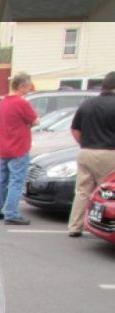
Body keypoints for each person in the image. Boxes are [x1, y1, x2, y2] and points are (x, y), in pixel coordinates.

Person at [67, 71, 115, 237]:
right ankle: (103, 227)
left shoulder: (87, 104)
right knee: (107, 195)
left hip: (86, 152)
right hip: (109, 153)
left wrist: (84, 144)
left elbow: (74, 129)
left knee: (82, 191)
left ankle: (75, 226)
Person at [0, 73, 40, 225]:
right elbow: (36, 121)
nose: (29, 89)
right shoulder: (21, 103)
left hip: (4, 146)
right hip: (18, 147)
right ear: (22, 86)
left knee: (1, 180)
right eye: (28, 86)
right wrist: (28, 125)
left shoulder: (3, 102)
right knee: (16, 181)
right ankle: (11, 213)